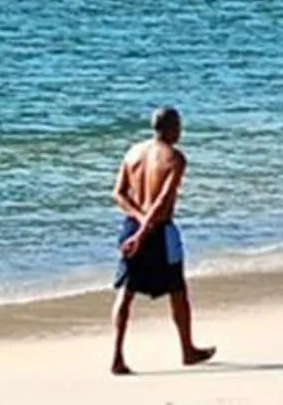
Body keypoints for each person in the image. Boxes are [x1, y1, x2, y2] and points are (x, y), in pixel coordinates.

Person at [110, 106, 214, 375]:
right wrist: (144, 229)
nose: (181, 131)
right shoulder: (175, 158)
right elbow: (162, 200)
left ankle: (117, 356)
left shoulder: (133, 152)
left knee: (127, 292)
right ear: (170, 128)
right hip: (158, 230)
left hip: (133, 226)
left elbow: (119, 193)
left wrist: (137, 222)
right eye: (178, 126)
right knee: (178, 289)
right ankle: (187, 349)